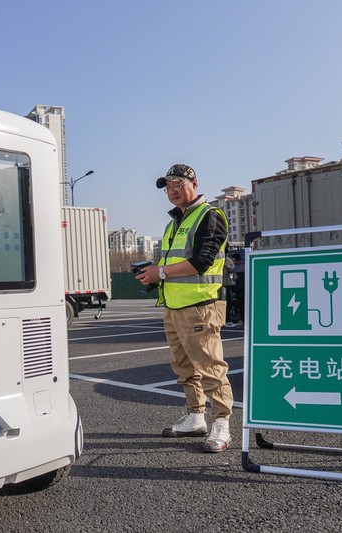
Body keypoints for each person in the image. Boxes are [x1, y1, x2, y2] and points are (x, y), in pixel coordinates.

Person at [135, 164, 234, 453]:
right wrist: (153, 275)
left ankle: (222, 423)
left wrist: (160, 273)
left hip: (201, 306)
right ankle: (195, 417)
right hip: (175, 306)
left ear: (194, 183)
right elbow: (172, 266)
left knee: (211, 368)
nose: (172, 190)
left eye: (178, 183)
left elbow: (202, 262)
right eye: (167, 187)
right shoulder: (174, 223)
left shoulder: (210, 216)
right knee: (184, 368)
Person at [231, 253, 245, 326]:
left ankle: (243, 320)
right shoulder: (245, 265)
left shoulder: (238, 268)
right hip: (244, 288)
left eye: (234, 260)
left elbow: (234, 278)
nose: (233, 262)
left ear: (237, 260)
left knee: (241, 306)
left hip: (239, 289)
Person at [222, 254, 236, 327]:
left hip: (227, 284)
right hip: (218, 285)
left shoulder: (229, 260)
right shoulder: (217, 259)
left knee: (228, 303)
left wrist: (227, 267)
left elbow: (233, 270)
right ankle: (220, 320)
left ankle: (228, 319)